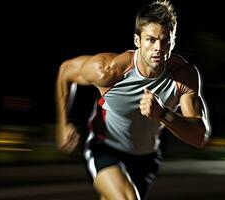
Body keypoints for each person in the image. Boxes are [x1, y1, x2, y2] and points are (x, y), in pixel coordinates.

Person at [55, 0, 211, 199]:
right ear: (137, 41)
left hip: (146, 158)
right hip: (105, 147)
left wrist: (163, 114)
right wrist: (62, 123)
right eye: (151, 40)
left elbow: (199, 137)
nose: (158, 48)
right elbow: (65, 71)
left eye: (165, 41)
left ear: (173, 42)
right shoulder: (109, 71)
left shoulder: (183, 76)